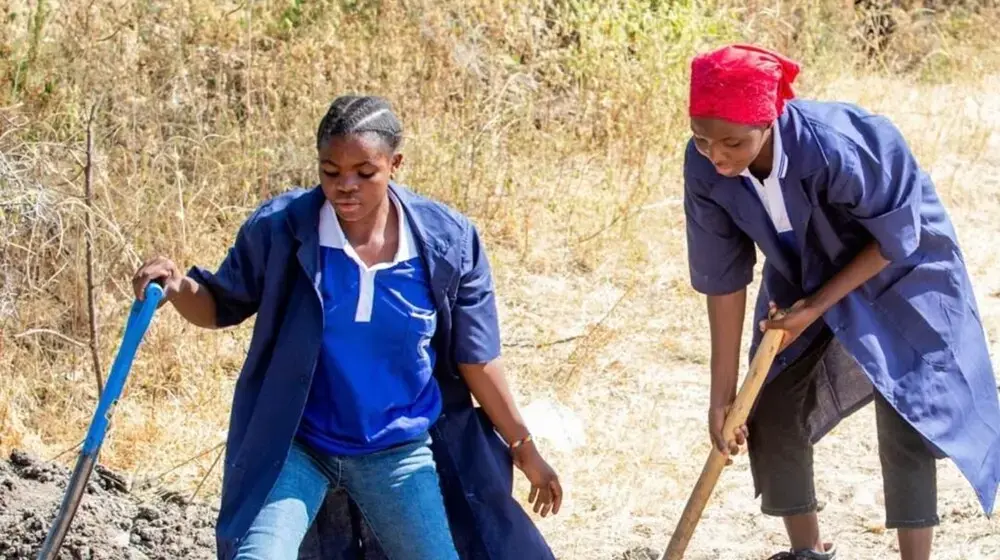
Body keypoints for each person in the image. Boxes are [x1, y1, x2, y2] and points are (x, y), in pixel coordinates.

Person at [132, 95, 563, 560]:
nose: (346, 187)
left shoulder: (447, 243)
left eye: (365, 172)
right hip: (298, 448)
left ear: (395, 163)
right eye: (330, 172)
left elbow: (476, 358)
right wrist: (179, 288)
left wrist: (524, 446)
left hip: (396, 453)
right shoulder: (282, 229)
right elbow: (219, 305)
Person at [682, 44, 1000, 560]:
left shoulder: (838, 144)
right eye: (702, 140)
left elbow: (899, 234)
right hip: (803, 276)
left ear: (769, 119)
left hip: (900, 269)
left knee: (907, 402)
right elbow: (723, 277)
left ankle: (915, 555)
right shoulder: (704, 169)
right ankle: (807, 552)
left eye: (733, 143)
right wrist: (723, 396)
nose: (717, 157)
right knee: (771, 399)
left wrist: (818, 305)